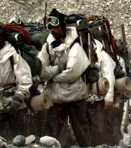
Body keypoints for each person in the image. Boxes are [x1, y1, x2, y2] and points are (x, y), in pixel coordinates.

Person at [38, 9, 91, 148]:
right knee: (49, 134)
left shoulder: (75, 45)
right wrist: (58, 69)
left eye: (55, 27)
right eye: (50, 27)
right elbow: (41, 71)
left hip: (76, 97)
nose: (53, 30)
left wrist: (53, 76)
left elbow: (72, 72)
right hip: (56, 98)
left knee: (83, 134)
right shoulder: (47, 47)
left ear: (62, 26)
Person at [86, 36, 119, 146]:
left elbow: (109, 77)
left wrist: (109, 98)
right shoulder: (81, 52)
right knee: (85, 130)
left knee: (99, 129)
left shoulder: (103, 56)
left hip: (99, 100)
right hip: (84, 99)